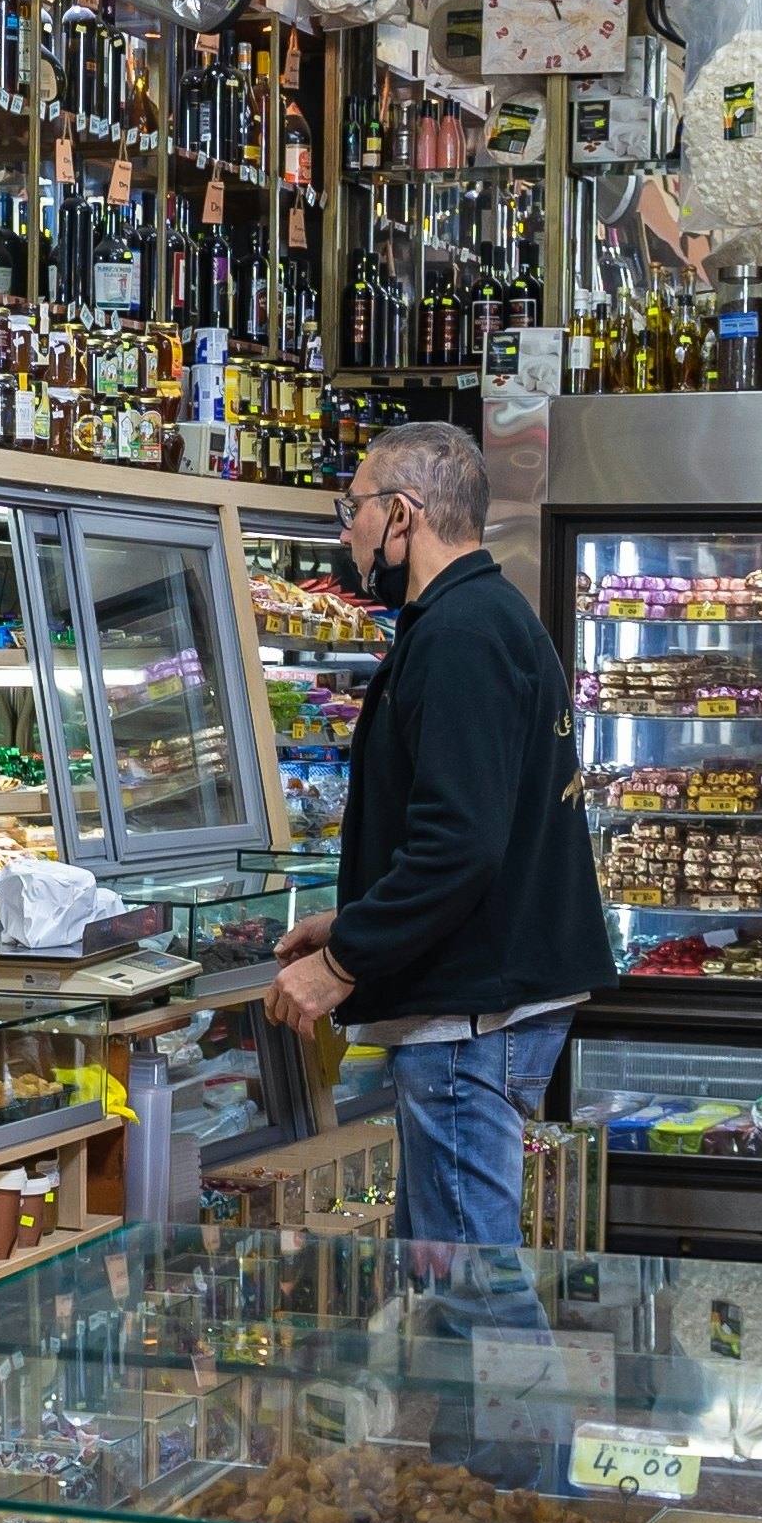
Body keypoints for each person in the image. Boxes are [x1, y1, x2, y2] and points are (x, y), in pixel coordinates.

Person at [273, 419, 615, 1252]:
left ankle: (513, 1390)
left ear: (401, 514)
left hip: (468, 1018)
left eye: (349, 506)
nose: (344, 528)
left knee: (468, 1281)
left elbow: (459, 844)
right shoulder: (475, 618)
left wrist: (343, 963)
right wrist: (351, 920)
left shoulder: (461, 636)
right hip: (476, 1002)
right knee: (443, 1269)